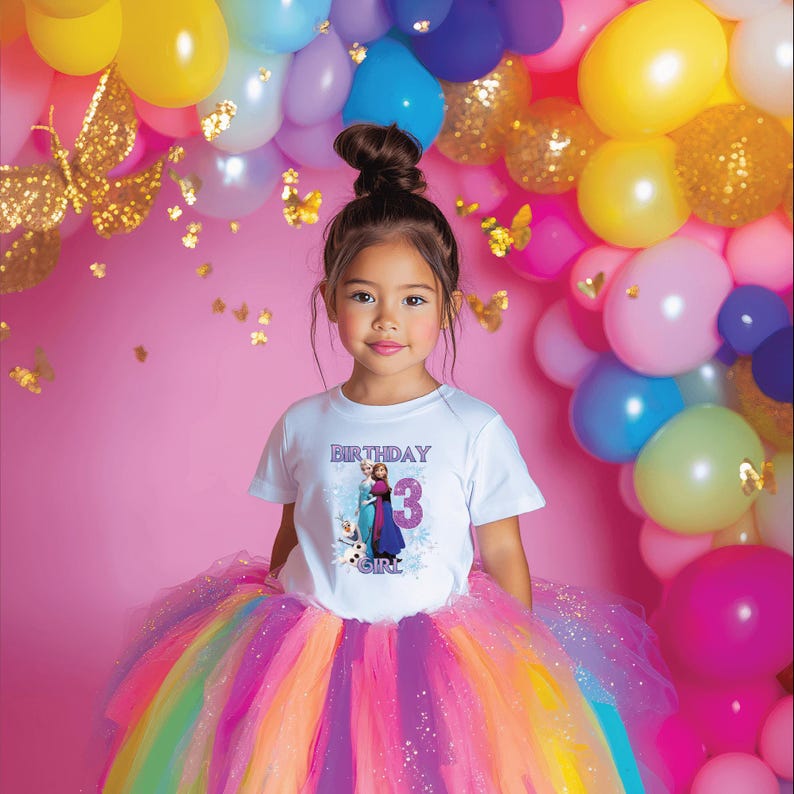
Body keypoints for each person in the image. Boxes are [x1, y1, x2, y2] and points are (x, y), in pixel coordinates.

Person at [98, 124, 676, 793]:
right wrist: (266, 625)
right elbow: (294, 531)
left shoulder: (473, 426)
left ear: (447, 308)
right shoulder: (303, 422)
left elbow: (505, 553)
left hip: (438, 660)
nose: (387, 320)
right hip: (308, 656)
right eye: (364, 295)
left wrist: (518, 657)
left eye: (413, 299)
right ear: (330, 302)